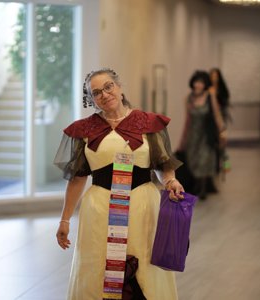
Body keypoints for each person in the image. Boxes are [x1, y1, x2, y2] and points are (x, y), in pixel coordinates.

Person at [54, 68, 184, 300]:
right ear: (91, 100)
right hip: (100, 208)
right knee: (99, 265)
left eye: (108, 87)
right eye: (96, 92)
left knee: (144, 264)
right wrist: (64, 219)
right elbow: (77, 178)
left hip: (143, 206)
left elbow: (164, 163)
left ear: (119, 87)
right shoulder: (83, 130)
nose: (104, 94)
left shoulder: (149, 123)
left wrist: (171, 180)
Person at [178, 70, 226, 200]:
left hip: (206, 135)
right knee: (193, 161)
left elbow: (217, 115)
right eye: (196, 82)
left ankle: (202, 189)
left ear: (205, 84)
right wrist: (182, 140)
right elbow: (187, 120)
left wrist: (222, 132)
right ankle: (197, 186)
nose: (198, 85)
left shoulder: (210, 97)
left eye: (201, 82)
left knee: (204, 160)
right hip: (193, 135)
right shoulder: (188, 98)